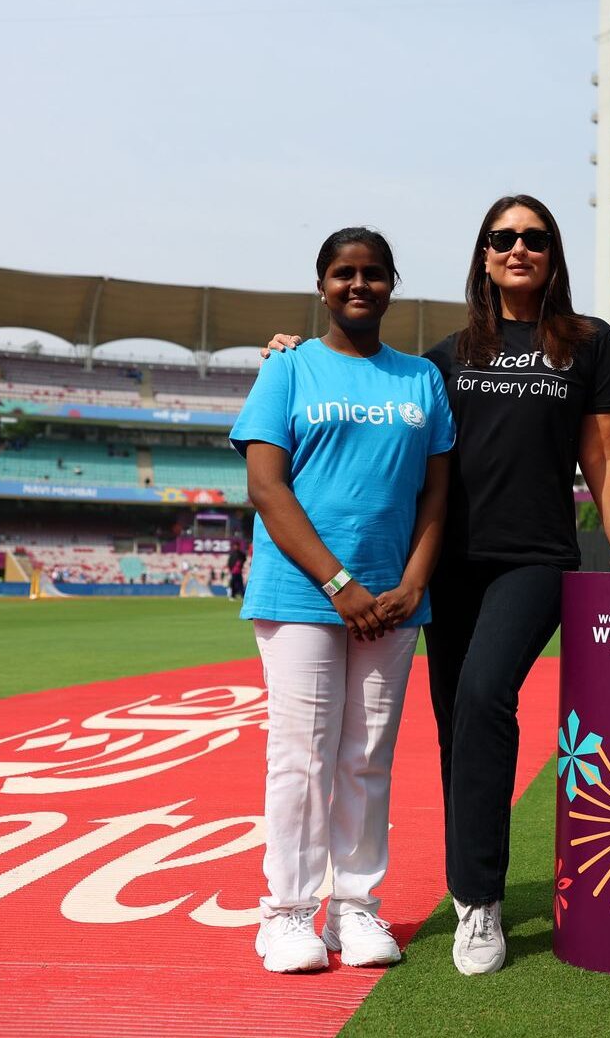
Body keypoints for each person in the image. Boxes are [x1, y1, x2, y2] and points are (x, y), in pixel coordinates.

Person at [264, 195, 610, 975]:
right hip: (451, 564)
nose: (518, 249)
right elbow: (379, 411)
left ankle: (482, 901)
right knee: (452, 728)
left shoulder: (589, 343)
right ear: (484, 254)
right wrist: (295, 358)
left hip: (537, 558)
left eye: (534, 238)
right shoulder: (443, 357)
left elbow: (602, 458)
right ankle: (469, 899)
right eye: (503, 238)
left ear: (552, 251)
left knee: (483, 696)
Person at [232, 227, 454, 974]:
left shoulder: (420, 380)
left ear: (393, 283)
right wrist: (341, 586)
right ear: (322, 284)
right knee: (301, 758)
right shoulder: (288, 370)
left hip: (392, 601)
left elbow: (436, 496)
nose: (358, 285)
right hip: (301, 594)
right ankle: (288, 915)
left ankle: (355, 909)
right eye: (343, 274)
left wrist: (415, 582)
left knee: (367, 759)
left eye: (373, 274)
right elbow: (266, 487)